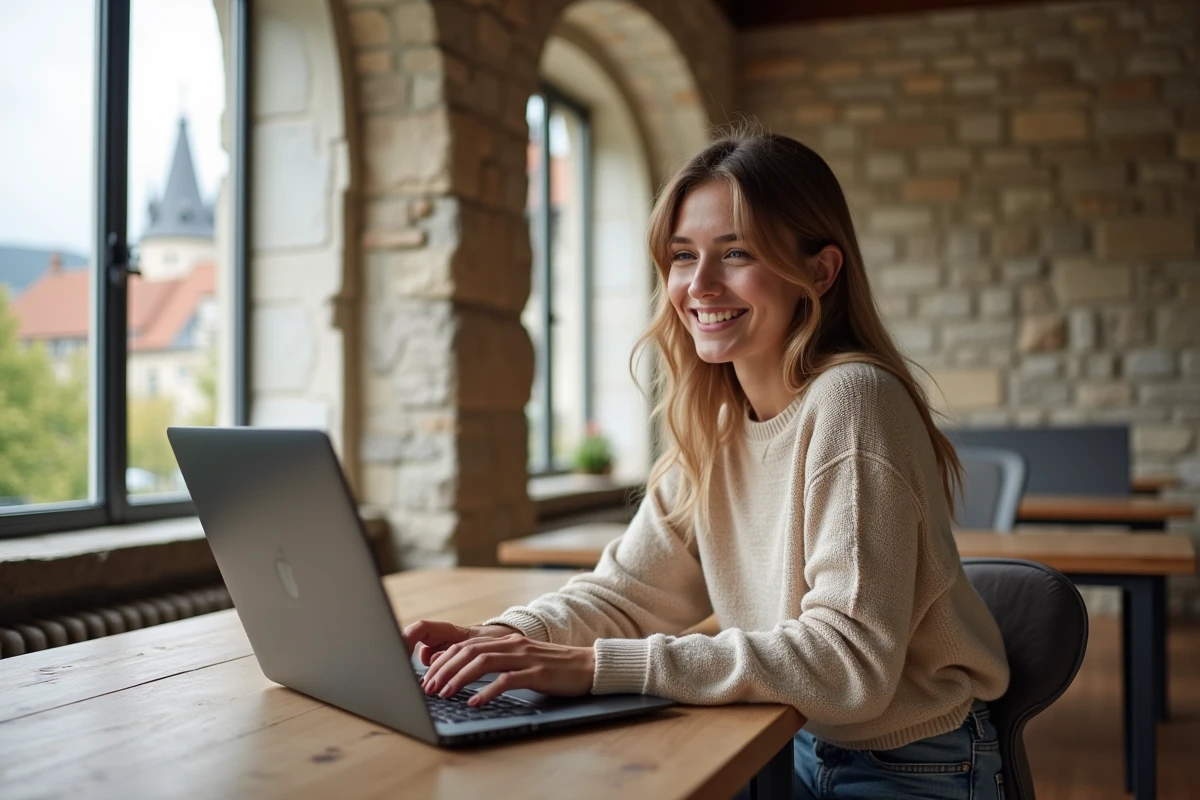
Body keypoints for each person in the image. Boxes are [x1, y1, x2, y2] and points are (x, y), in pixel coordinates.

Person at [402, 128, 1010, 800]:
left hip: (909, 762)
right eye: (682, 255)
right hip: (792, 735)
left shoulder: (854, 400)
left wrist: (592, 667)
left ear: (821, 270)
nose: (698, 284)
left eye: (737, 253)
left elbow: (847, 664)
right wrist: (500, 640)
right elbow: (630, 594)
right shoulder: (715, 422)